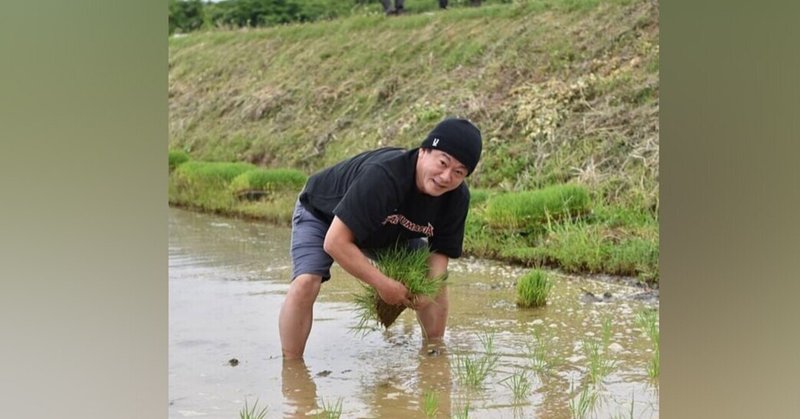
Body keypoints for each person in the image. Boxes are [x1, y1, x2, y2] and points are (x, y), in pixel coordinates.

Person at [278, 117, 482, 360]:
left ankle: (434, 355)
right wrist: (383, 284)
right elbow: (335, 242)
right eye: (442, 162)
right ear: (424, 151)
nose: (446, 177)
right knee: (306, 282)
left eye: (458, 172)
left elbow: (439, 257)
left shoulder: (456, 198)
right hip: (324, 216)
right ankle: (292, 370)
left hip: (388, 230)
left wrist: (427, 293)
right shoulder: (385, 176)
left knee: (434, 281)